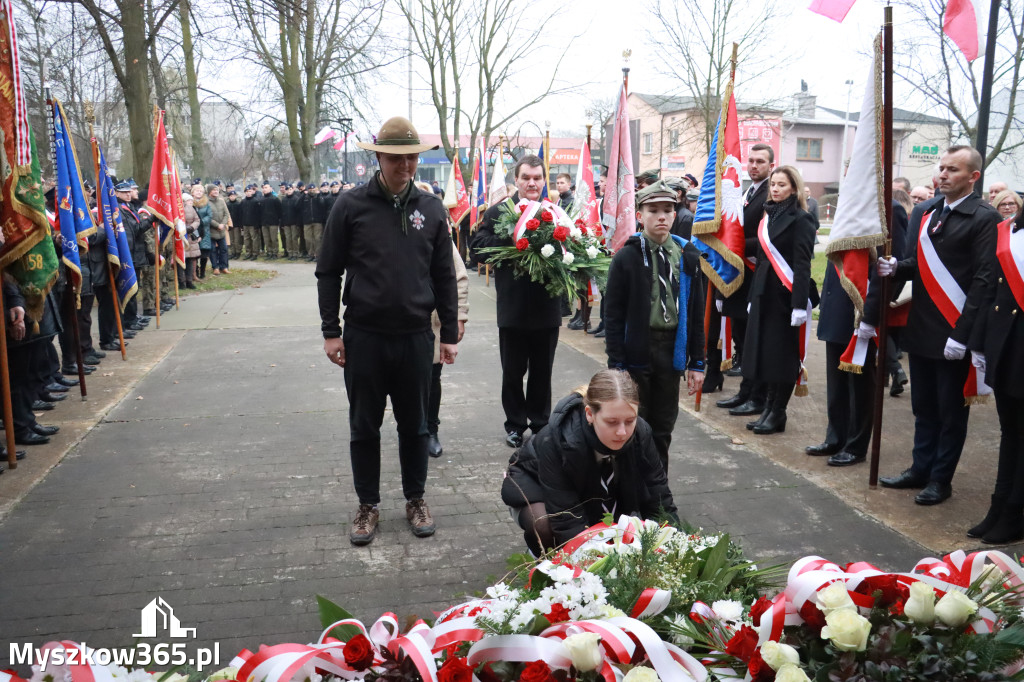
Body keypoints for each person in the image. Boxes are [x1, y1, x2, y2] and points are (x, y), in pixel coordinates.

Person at [316, 116, 459, 546]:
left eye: (413, 158)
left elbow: (444, 275)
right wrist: (331, 330)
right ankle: (367, 505)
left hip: (416, 337)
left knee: (416, 426)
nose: (407, 167)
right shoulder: (350, 206)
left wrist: (448, 332)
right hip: (364, 337)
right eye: (397, 159)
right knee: (364, 426)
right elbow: (328, 271)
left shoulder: (431, 209)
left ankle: (415, 499)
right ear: (379, 157)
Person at [876, 145, 1000, 505]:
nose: (943, 174)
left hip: (954, 330)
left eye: (953, 170)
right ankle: (920, 469)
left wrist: (963, 336)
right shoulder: (929, 211)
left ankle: (940, 479)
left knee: (950, 412)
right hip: (924, 325)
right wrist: (898, 267)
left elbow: (983, 280)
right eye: (942, 168)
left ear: (973, 177)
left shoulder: (984, 218)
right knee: (923, 407)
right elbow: (923, 263)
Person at [500, 369, 677, 555]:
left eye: (630, 420)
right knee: (544, 526)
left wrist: (673, 544)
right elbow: (566, 516)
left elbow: (658, 493)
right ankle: (540, 554)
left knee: (620, 526)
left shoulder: (641, 432)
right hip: (536, 486)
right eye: (611, 422)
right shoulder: (556, 441)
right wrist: (594, 566)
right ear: (590, 414)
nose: (622, 432)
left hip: (590, 488)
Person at [603, 180, 706, 472]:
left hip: (671, 349)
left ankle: (657, 492)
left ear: (676, 214)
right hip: (637, 350)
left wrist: (697, 362)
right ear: (640, 215)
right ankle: (629, 489)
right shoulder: (627, 256)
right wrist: (616, 363)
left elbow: (696, 312)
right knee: (634, 423)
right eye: (653, 210)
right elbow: (612, 315)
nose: (661, 216)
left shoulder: (688, 256)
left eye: (668, 210)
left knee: (663, 425)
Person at [470, 155, 562, 449]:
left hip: (547, 308)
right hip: (512, 308)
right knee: (512, 372)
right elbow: (477, 250)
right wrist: (512, 240)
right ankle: (514, 424)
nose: (532, 183)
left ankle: (539, 423)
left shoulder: (555, 214)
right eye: (526, 178)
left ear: (543, 180)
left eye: (537, 178)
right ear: (517, 180)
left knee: (542, 371)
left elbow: (573, 247)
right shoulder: (499, 212)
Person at [808, 200, 909, 466]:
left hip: (863, 309)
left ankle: (856, 445)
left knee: (861, 384)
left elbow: (889, 268)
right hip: (837, 306)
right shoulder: (850, 202)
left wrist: (872, 314)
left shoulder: (890, 209)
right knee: (837, 382)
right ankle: (835, 437)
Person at [741, 165, 816, 435]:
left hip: (786, 298)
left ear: (794, 188)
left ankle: (778, 412)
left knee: (782, 357)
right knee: (767, 356)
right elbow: (762, 261)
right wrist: (753, 296)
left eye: (782, 185)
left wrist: (798, 305)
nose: (775, 189)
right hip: (764, 295)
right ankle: (768, 409)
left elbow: (802, 264)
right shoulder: (767, 216)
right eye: (773, 184)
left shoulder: (802, 219)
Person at [966, 208, 1024, 543]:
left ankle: (1015, 511)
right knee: (1009, 431)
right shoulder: (1009, 230)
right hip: (1006, 340)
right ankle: (999, 506)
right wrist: (979, 342)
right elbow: (990, 290)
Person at [717, 143, 774, 415]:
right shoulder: (746, 192)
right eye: (750, 160)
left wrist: (735, 245)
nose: (753, 165)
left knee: (754, 340)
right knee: (741, 336)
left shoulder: (770, 195)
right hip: (740, 272)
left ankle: (756, 396)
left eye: (760, 161)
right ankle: (744, 392)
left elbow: (765, 237)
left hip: (756, 273)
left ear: (771, 166)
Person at [416, 180, 470, 459]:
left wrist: (458, 318)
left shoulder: (441, 238)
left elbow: (458, 278)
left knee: (432, 378)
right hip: (404, 324)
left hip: (434, 324)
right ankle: (414, 429)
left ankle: (431, 430)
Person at [207, 184, 231, 275]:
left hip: (222, 230)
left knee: (224, 249)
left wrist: (223, 224)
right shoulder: (206, 202)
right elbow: (207, 217)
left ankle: (224, 267)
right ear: (209, 192)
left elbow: (226, 214)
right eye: (213, 190)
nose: (216, 192)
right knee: (213, 250)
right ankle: (215, 267)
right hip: (212, 230)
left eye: (217, 190)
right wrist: (217, 225)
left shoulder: (221, 201)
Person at [191, 184, 212, 279]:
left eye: (200, 191)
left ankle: (202, 271)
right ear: (193, 192)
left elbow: (210, 215)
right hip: (193, 230)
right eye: (197, 191)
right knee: (194, 253)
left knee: (204, 253)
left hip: (204, 230)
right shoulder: (190, 203)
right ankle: (195, 271)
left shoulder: (206, 203)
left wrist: (200, 222)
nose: (199, 192)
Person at [182, 193, 201, 288]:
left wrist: (191, 227)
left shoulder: (190, 208)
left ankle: (189, 280)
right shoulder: (175, 208)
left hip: (189, 236)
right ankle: (181, 281)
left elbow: (197, 220)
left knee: (190, 259)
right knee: (181, 260)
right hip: (179, 237)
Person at [260, 182, 282, 259]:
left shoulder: (275, 199)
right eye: (263, 188)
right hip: (264, 223)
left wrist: (278, 220)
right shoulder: (261, 199)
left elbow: (279, 211)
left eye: (266, 187)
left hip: (273, 223)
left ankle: (275, 253)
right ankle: (269, 252)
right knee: (266, 239)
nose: (264, 189)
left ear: (270, 188)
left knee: (273, 239)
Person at [240, 184, 262, 260]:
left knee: (254, 239)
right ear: (245, 193)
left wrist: (257, 225)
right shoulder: (243, 202)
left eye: (250, 191)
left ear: (252, 192)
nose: (248, 193)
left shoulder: (255, 201)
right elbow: (241, 213)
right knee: (246, 239)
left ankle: (255, 253)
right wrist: (241, 224)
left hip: (253, 224)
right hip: (245, 224)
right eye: (247, 191)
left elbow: (258, 214)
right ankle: (248, 252)